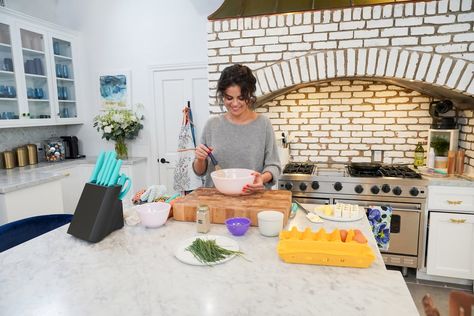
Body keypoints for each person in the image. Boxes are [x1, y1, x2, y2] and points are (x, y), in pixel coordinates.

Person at [193, 64, 281, 194]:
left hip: (252, 198)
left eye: (241, 98)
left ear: (250, 95)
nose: (234, 104)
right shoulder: (212, 125)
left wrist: (262, 178)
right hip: (216, 200)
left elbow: (273, 166)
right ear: (222, 96)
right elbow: (200, 171)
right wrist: (199, 159)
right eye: (229, 98)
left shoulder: (263, 124)